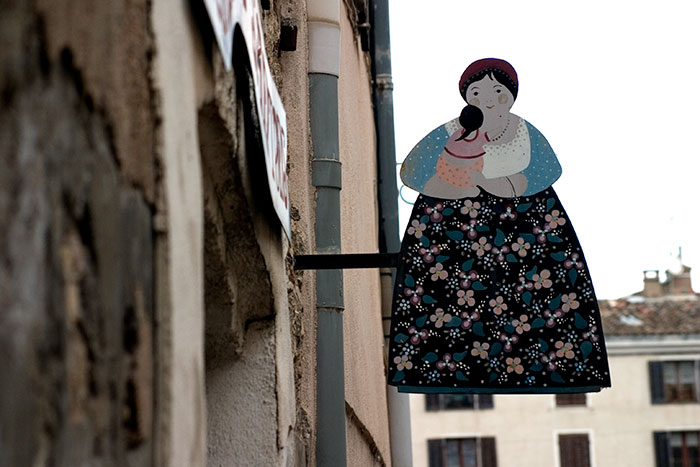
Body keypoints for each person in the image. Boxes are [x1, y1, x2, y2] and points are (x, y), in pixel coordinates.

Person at [388, 58, 611, 394]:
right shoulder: (453, 130)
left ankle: (547, 365)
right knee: (449, 299)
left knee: (534, 298)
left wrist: (502, 184)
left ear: (509, 95)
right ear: (467, 97)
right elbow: (413, 171)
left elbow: (546, 169)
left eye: (496, 90)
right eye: (477, 91)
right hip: (453, 228)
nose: (487, 98)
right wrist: (454, 186)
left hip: (524, 224)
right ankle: (446, 366)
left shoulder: (523, 131)